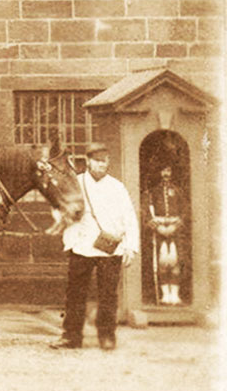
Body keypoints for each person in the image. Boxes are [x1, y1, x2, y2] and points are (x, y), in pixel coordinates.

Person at [51, 142, 139, 351]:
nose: (101, 165)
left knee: (108, 294)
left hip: (110, 248)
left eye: (104, 161)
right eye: (97, 161)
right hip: (81, 245)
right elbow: (57, 208)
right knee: (75, 294)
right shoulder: (76, 183)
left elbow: (129, 217)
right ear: (88, 161)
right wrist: (65, 218)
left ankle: (107, 336)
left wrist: (130, 247)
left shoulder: (117, 187)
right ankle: (71, 337)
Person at [147, 166, 186, 305]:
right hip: (159, 232)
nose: (166, 174)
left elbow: (184, 212)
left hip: (175, 232)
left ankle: (174, 295)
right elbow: (148, 213)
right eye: (163, 171)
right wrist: (159, 228)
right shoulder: (153, 192)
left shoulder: (177, 191)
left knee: (175, 262)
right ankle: (165, 295)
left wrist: (175, 226)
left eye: (168, 171)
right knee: (162, 263)